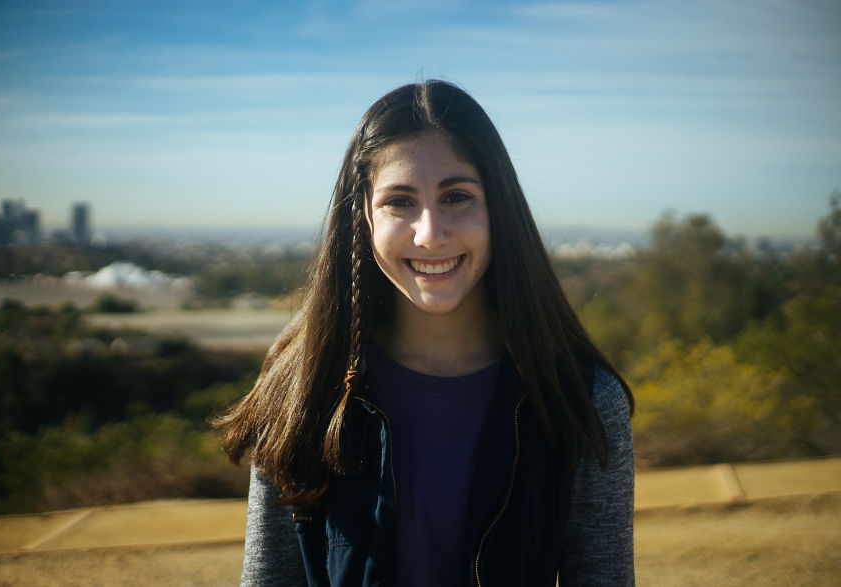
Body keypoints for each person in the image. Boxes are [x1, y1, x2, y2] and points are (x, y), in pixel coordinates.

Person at [215, 79, 635, 586]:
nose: (430, 233)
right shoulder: (301, 387)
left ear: (498, 208)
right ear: (362, 217)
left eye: (457, 196)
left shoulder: (580, 396)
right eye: (399, 202)